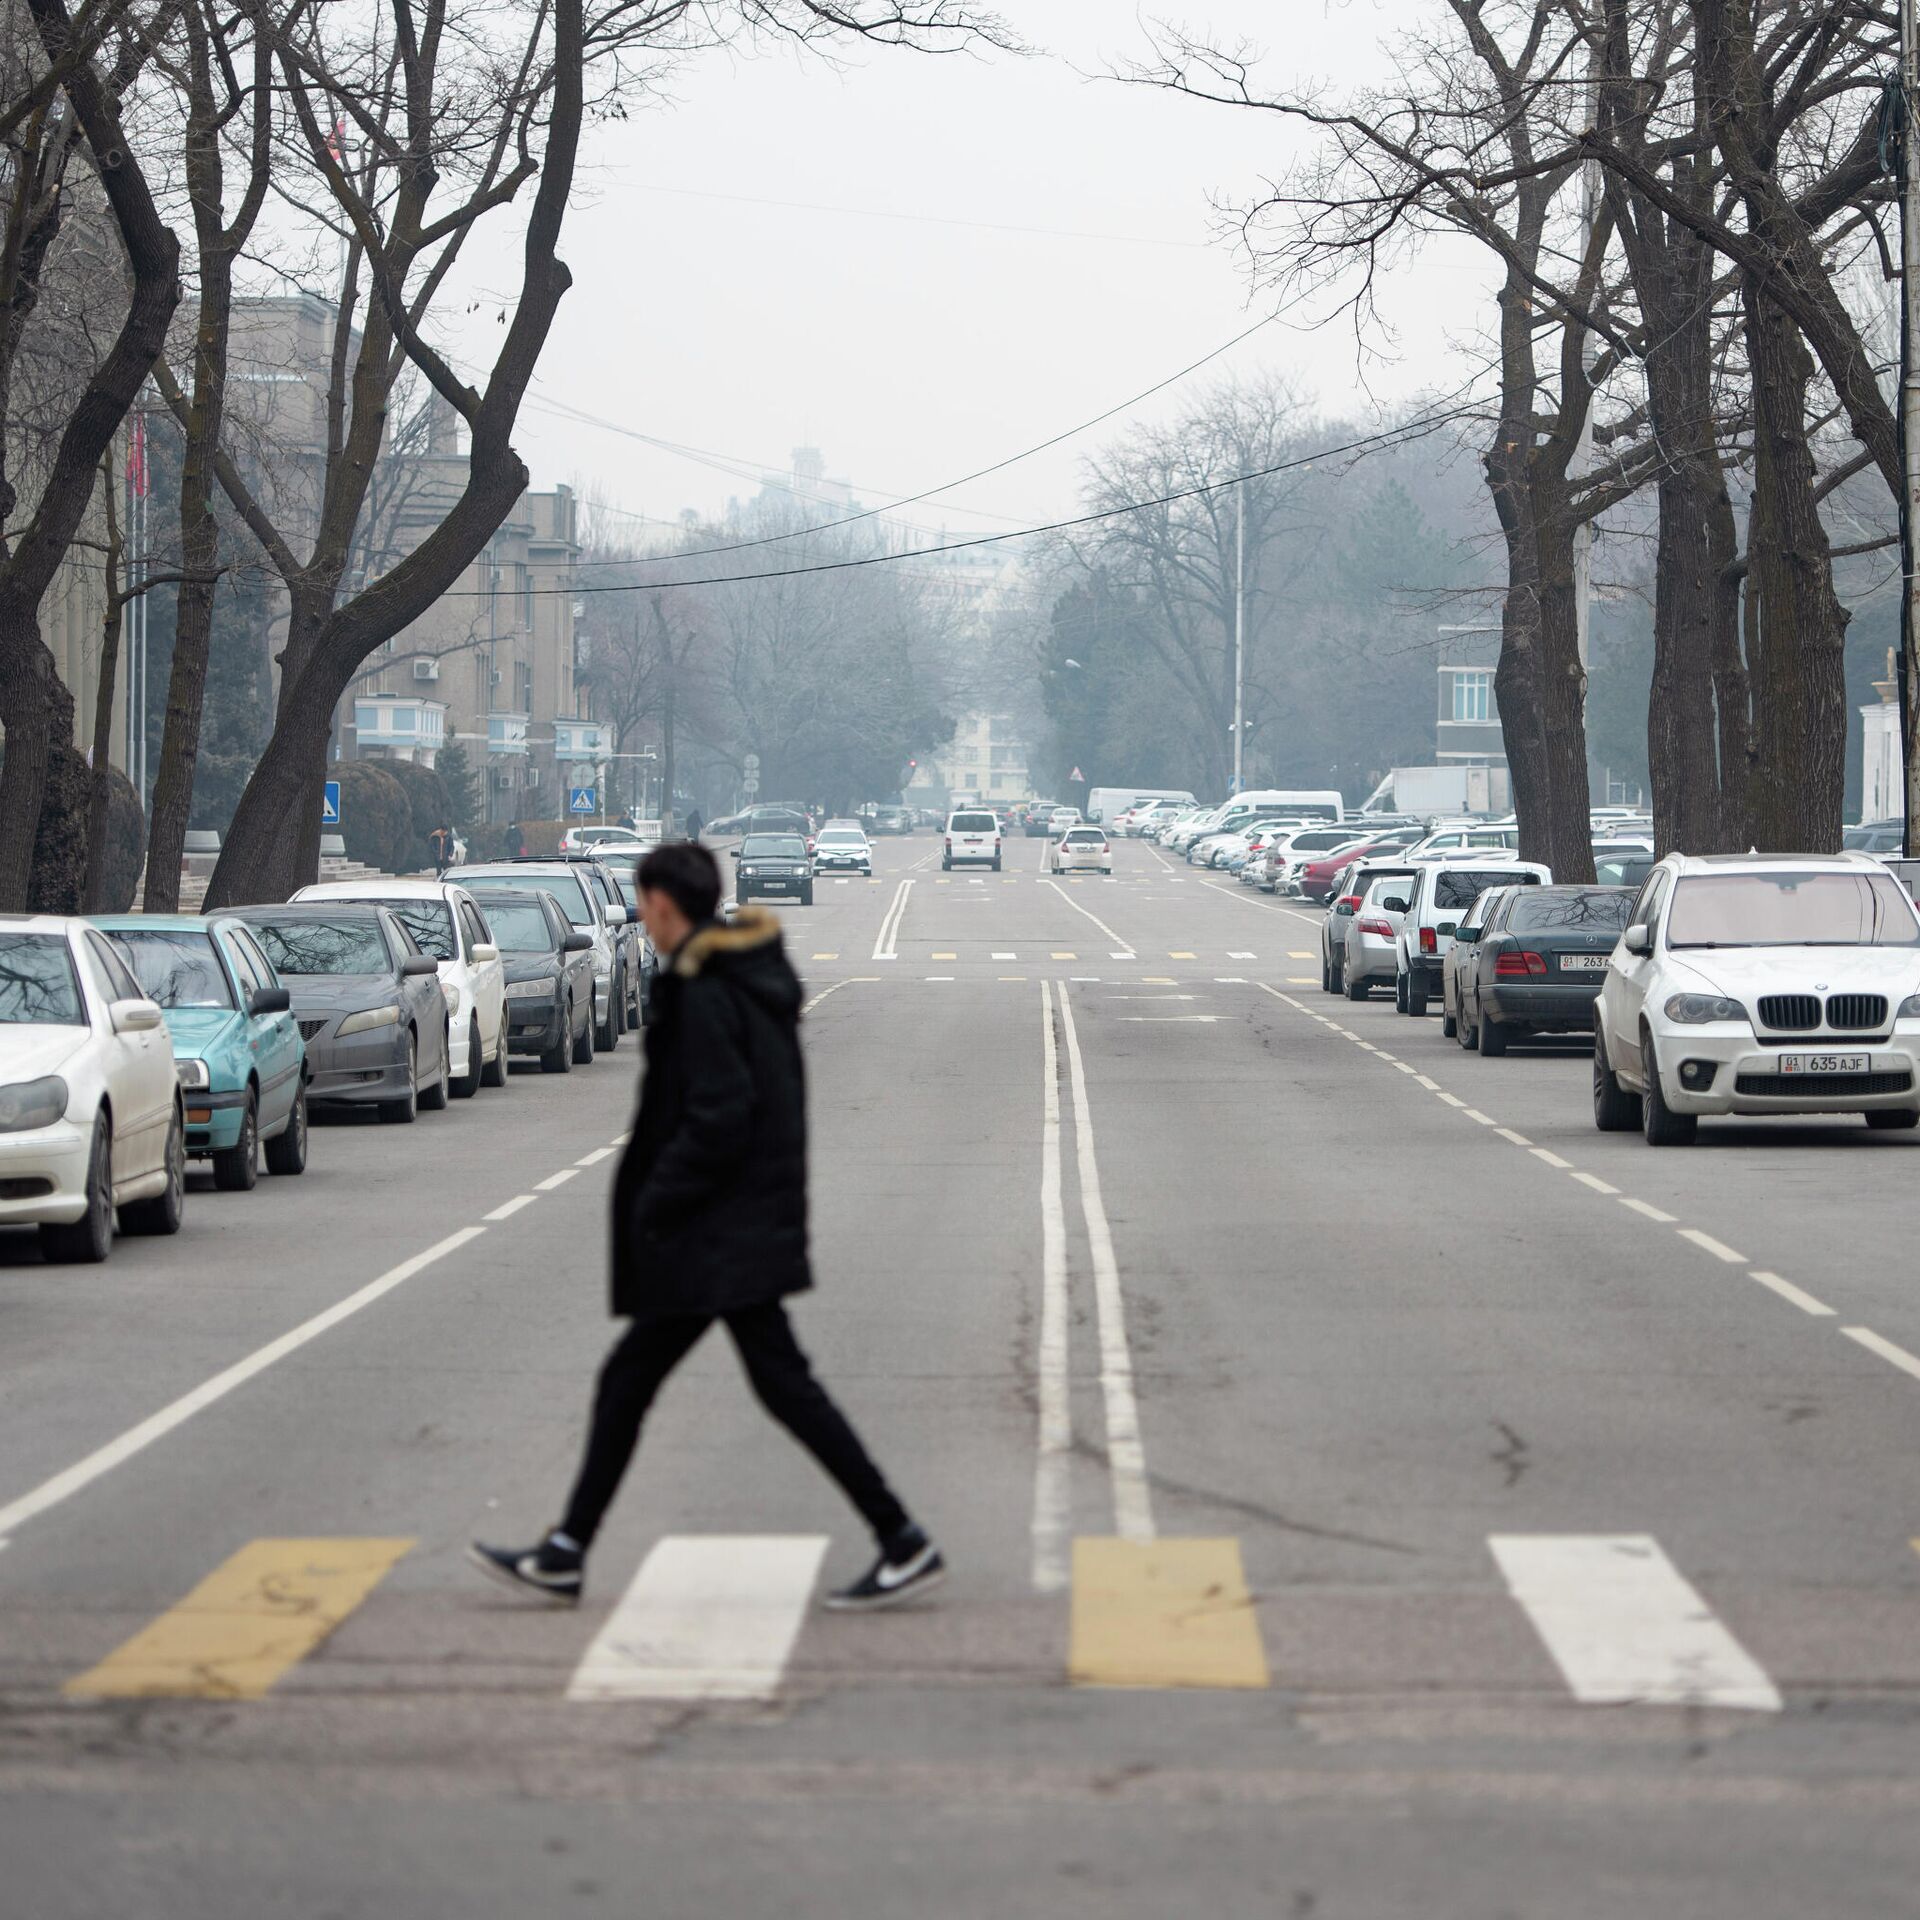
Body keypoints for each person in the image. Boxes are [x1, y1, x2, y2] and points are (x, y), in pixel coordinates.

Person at [470, 841, 943, 1611]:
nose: (642, 917)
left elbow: (720, 1112)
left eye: (643, 902)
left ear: (663, 905)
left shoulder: (705, 989)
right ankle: (568, 1548)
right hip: (736, 1222)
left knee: (746, 1386)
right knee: (672, 1381)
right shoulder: (739, 976)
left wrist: (660, 1197)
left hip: (718, 1230)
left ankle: (900, 1536)